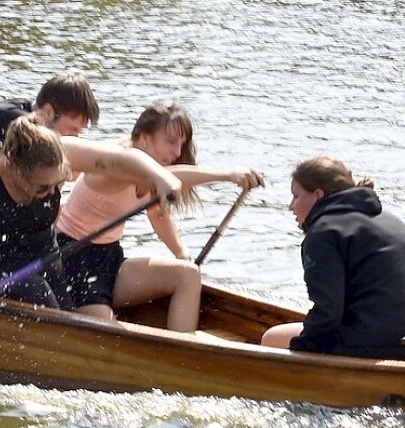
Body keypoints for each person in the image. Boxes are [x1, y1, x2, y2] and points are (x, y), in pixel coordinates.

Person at [0, 116, 181, 309]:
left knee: (62, 305)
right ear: (17, 170)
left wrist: (161, 177)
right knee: (37, 293)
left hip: (41, 258)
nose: (54, 191)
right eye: (44, 187)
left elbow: (120, 159)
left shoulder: (58, 153)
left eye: (60, 182)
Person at [57, 103, 264, 332]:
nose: (177, 153)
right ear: (144, 139)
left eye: (181, 144)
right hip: (71, 261)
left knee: (187, 276)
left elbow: (158, 215)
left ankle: (181, 357)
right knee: (110, 335)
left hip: (109, 259)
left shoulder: (155, 171)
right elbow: (167, 176)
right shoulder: (118, 161)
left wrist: (182, 255)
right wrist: (227, 174)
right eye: (170, 142)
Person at [260, 157, 405, 359]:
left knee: (271, 338)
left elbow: (328, 312)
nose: (291, 206)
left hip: (378, 343)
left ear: (318, 195)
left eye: (295, 196)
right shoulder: (390, 220)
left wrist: (302, 350)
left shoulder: (324, 232)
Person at [0, 72, 99, 184]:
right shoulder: (10, 121)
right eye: (72, 130)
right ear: (48, 112)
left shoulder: (18, 114)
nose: (74, 139)